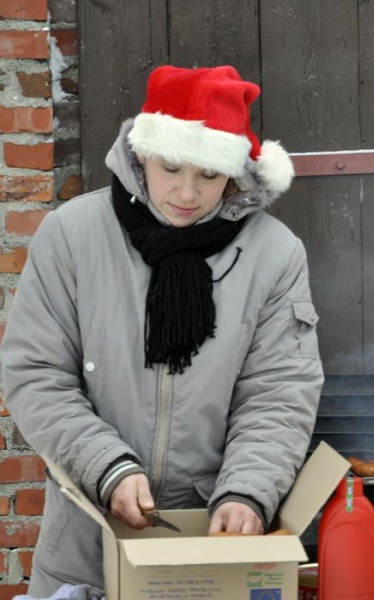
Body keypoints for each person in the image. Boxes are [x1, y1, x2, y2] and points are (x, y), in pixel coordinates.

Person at [0, 65, 323, 597]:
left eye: (210, 175)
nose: (188, 193)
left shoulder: (276, 253)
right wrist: (106, 466)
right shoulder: (71, 235)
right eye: (171, 167)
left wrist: (246, 493)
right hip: (88, 542)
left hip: (209, 551)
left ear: (236, 174)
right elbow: (35, 375)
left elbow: (278, 393)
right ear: (140, 152)